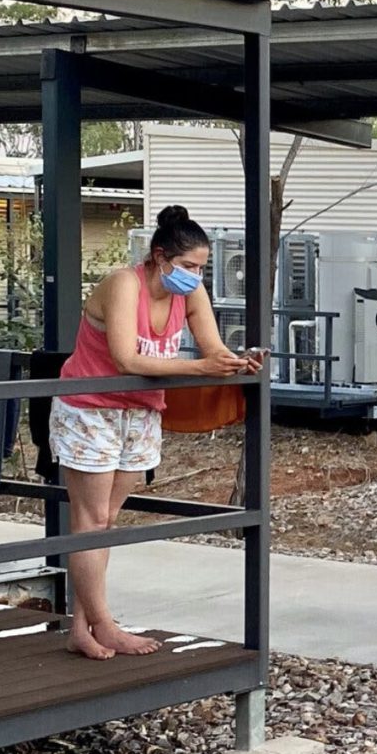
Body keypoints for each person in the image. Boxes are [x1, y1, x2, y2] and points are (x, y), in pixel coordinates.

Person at [50, 205, 261, 661]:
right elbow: (126, 359)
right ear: (159, 256)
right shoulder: (124, 284)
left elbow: (213, 351)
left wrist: (237, 363)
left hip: (141, 411)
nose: (195, 276)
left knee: (105, 522)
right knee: (91, 522)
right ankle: (105, 625)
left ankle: (82, 628)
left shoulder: (191, 292)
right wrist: (200, 368)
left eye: (201, 268)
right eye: (187, 266)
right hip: (90, 408)